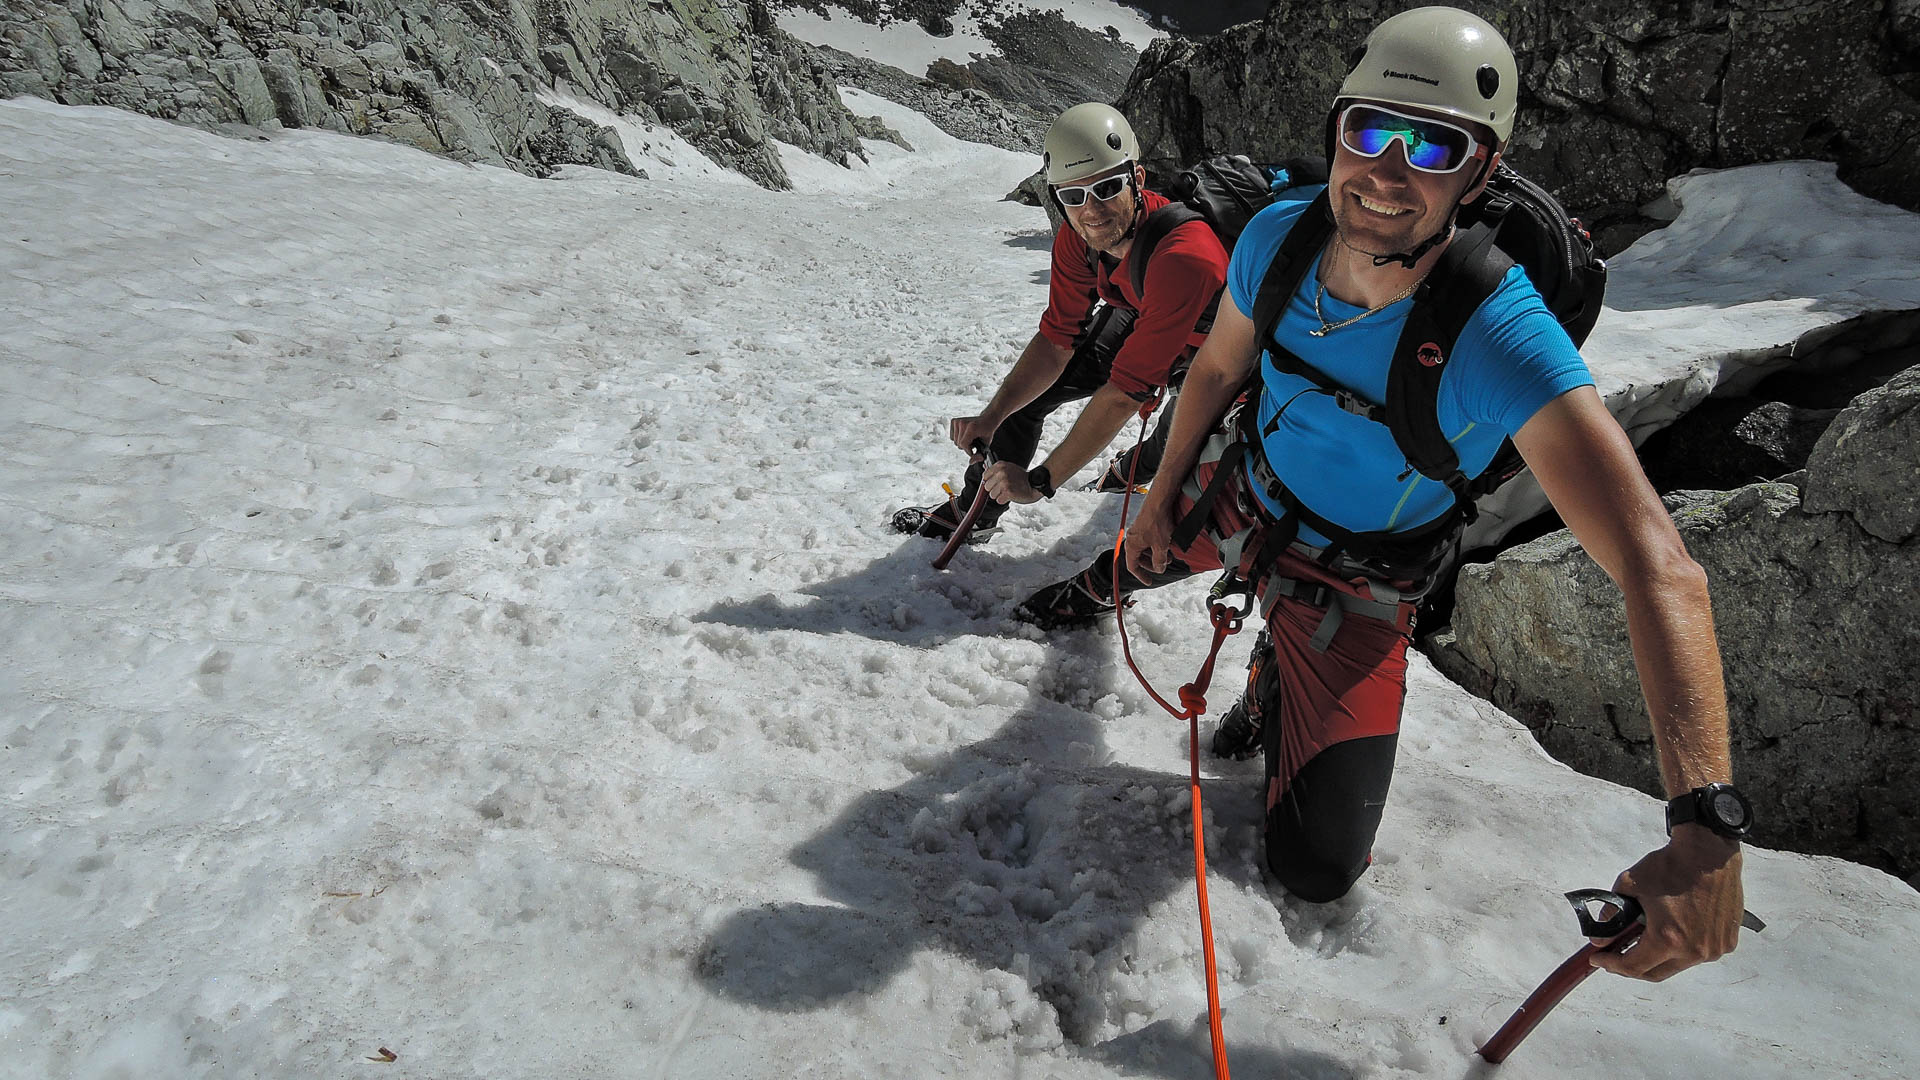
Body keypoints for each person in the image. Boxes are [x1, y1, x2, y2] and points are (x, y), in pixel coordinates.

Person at [1027, 6, 1746, 980]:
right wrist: (1158, 498)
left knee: (1315, 868)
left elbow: (1660, 568)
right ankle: (1087, 591)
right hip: (1245, 489)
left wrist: (1704, 829)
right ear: (1335, 131)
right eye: (1369, 131)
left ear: (1480, 173)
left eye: (1434, 146)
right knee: (1143, 553)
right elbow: (1216, 370)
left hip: (1357, 583)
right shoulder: (1277, 240)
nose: (1387, 171)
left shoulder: (1499, 331)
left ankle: (1277, 676)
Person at [891, 102, 1229, 544]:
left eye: (1108, 187)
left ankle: (1128, 471)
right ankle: (973, 513)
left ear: (1137, 180)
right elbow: (1055, 343)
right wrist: (992, 416)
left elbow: (1124, 394)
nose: (1092, 210)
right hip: (1141, 307)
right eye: (1073, 196)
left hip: (1221, 344)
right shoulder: (1080, 239)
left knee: (1177, 441)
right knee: (1029, 398)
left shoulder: (1185, 256)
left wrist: (1039, 482)